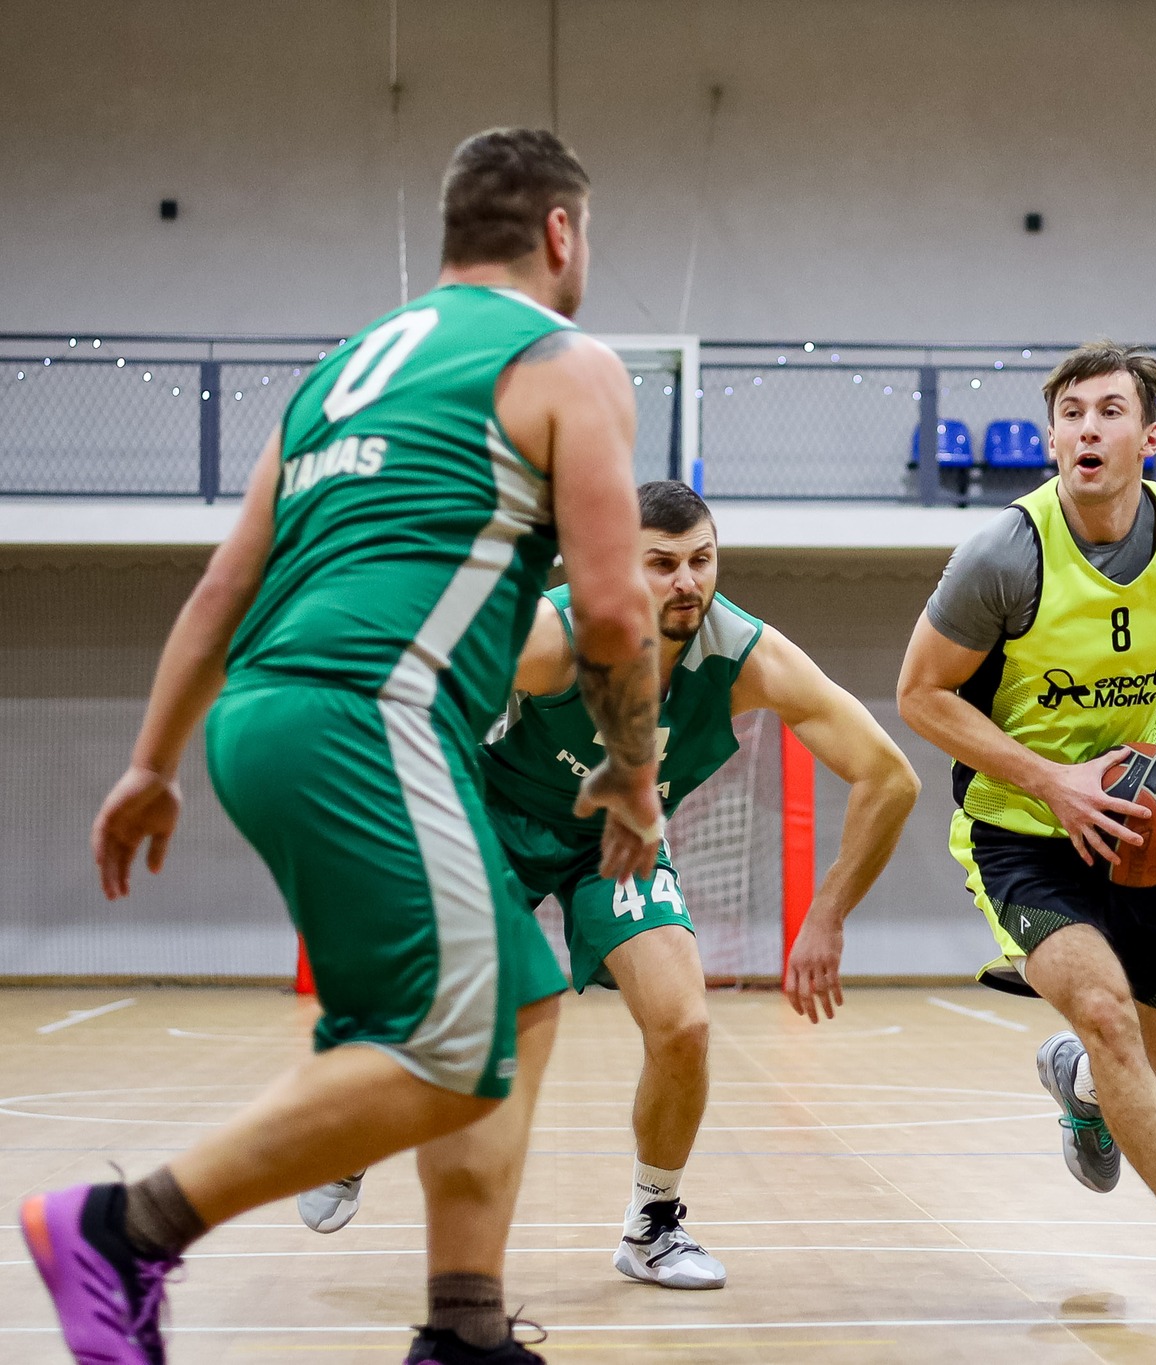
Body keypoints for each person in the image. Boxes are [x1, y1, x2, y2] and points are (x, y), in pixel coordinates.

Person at [20, 128, 664, 1365]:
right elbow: (613, 608)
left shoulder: (339, 374)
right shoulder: (562, 360)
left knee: (522, 1006)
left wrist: (151, 764)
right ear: (561, 232)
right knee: (448, 1052)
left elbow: (224, 585)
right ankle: (124, 1229)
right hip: (376, 713)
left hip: (260, 716)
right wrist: (631, 774)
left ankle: (464, 1327)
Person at [298, 481, 921, 1292]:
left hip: (615, 840)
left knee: (683, 1025)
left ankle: (651, 1225)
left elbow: (890, 776)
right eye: (661, 563)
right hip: (493, 815)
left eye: (701, 560)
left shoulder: (746, 656)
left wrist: (827, 912)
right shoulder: (550, 637)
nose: (687, 581)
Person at [896, 341, 1156, 1332]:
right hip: (1020, 832)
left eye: (1109, 411)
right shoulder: (1003, 556)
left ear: (1149, 437)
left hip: (1138, 823)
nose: (1086, 429)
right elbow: (919, 694)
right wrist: (1050, 781)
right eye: (1070, 413)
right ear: (1052, 437)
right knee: (1107, 1013)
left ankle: (1075, 1078)